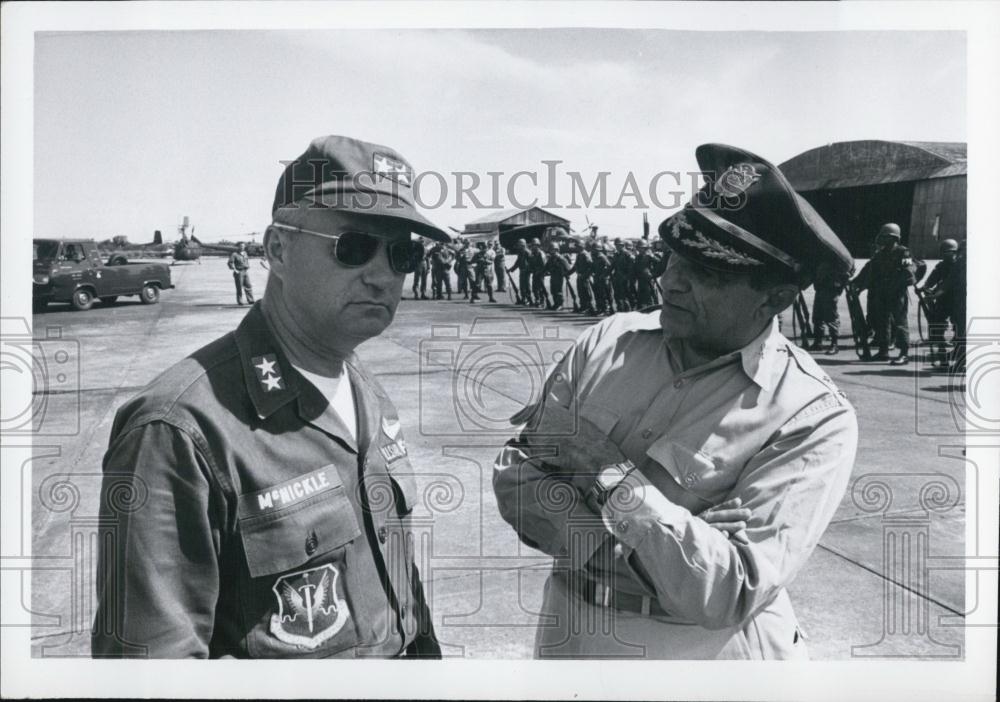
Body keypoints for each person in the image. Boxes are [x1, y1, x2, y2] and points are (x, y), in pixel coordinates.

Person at [493, 143, 857, 660]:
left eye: (707, 273)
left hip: (702, 658)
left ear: (774, 297)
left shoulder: (811, 413)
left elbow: (731, 590)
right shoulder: (607, 342)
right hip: (569, 637)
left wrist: (606, 473)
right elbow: (516, 481)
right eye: (674, 259)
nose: (668, 282)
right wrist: (665, 546)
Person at [93, 134, 445, 659]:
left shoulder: (362, 387)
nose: (382, 275)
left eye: (402, 254)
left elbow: (398, 588)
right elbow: (151, 669)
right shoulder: (180, 429)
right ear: (278, 249)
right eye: (353, 247)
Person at [851, 223, 917, 364]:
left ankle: (904, 353)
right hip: (882, 294)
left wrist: (896, 285)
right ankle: (883, 351)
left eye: (885, 237)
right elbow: (868, 271)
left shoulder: (903, 252)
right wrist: (856, 283)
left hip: (897, 293)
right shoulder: (879, 255)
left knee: (900, 323)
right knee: (882, 323)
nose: (882, 239)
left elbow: (909, 272)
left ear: (894, 238)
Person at [917, 238, 959, 368]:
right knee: (937, 327)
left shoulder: (960, 266)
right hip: (942, 300)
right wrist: (924, 287)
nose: (947, 255)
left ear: (955, 252)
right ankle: (942, 357)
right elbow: (932, 279)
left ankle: (958, 356)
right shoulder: (941, 266)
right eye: (945, 252)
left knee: (959, 329)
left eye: (950, 252)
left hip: (957, 301)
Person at [809, 259, 852, 355]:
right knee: (817, 317)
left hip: (830, 290)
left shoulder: (837, 256)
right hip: (820, 289)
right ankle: (818, 342)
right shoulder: (823, 254)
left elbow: (848, 271)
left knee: (831, 318)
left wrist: (839, 284)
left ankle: (834, 344)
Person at [544, 237, 571, 311]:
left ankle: (560, 305)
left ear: (557, 250)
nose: (551, 251)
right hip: (553, 276)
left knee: (558, 291)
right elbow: (546, 267)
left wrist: (566, 274)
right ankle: (556, 303)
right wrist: (544, 272)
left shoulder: (561, 258)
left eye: (553, 250)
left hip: (559, 277)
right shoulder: (551, 259)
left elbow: (568, 268)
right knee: (553, 291)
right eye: (551, 250)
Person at [572, 241, 595, 316]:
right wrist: (568, 273)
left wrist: (585, 275)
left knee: (587, 293)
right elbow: (575, 266)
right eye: (576, 246)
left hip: (585, 277)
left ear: (582, 246)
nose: (576, 248)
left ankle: (589, 308)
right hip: (580, 276)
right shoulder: (579, 254)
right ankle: (583, 307)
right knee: (580, 292)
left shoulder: (585, 254)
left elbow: (591, 267)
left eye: (578, 246)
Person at [633, 239, 657, 309]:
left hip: (648, 279)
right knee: (640, 297)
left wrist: (653, 273)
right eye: (639, 248)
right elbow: (636, 267)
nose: (640, 249)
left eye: (642, 248)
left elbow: (658, 263)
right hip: (640, 279)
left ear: (645, 248)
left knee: (649, 296)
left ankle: (652, 310)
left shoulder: (649, 255)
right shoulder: (637, 257)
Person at [508, 238, 533, 306]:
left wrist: (529, 270)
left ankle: (529, 299)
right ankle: (523, 299)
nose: (519, 246)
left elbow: (531, 263)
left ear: (523, 245)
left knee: (527, 286)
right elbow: (518, 262)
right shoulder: (520, 252)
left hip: (526, 272)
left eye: (520, 244)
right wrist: (511, 269)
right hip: (522, 271)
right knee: (522, 286)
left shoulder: (528, 252)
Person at [591, 242, 613, 315]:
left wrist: (604, 275)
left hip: (602, 279)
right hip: (597, 278)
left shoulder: (602, 257)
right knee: (598, 294)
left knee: (603, 294)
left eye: (594, 249)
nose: (592, 250)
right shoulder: (595, 257)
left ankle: (605, 309)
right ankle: (600, 308)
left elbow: (609, 266)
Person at [528, 237, 550, 309]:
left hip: (540, 273)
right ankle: (537, 300)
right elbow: (531, 264)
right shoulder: (533, 253)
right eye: (533, 245)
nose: (533, 246)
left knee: (541, 288)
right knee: (534, 288)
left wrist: (540, 272)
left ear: (538, 245)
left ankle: (542, 301)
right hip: (535, 273)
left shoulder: (541, 254)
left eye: (535, 245)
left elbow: (544, 265)